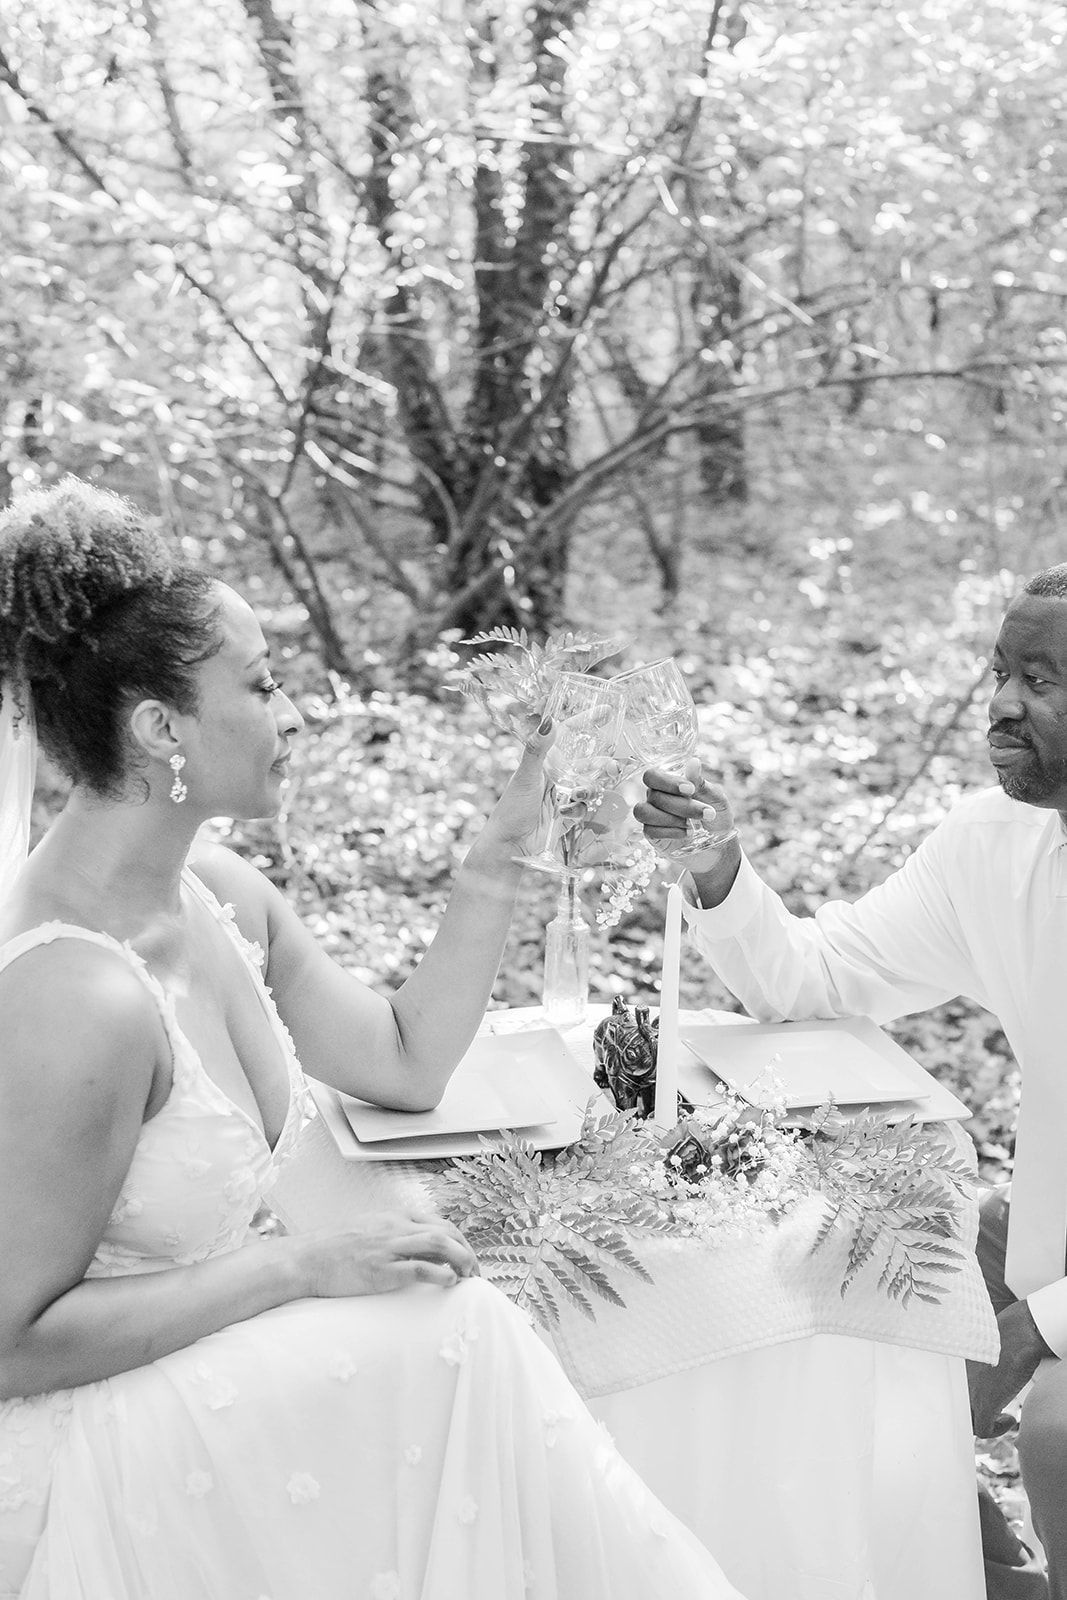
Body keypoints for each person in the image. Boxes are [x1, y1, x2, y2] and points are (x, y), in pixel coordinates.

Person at [0, 478, 746, 1600]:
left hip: (214, 1354)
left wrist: (500, 853)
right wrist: (301, 1265)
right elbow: (15, 1342)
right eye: (262, 685)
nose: (294, 713)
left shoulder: (211, 891)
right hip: (101, 1434)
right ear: (161, 728)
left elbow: (402, 1056)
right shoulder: (75, 997)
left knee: (472, 1314)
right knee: (458, 1331)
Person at [635, 565, 1067, 1600]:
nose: (1000, 704)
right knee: (827, 1323)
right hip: (1044, 1224)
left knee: (1052, 1427)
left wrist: (1041, 1323)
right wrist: (715, 868)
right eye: (998, 672)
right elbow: (813, 977)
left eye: (1041, 680)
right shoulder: (990, 844)